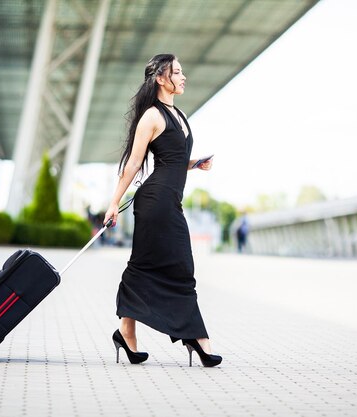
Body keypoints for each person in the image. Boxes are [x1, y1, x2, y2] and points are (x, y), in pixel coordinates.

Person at [104, 54, 222, 367]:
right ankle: (198, 338)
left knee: (156, 266)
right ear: (160, 78)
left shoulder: (177, 113)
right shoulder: (151, 116)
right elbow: (133, 163)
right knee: (178, 266)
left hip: (169, 201)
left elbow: (171, 159)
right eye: (178, 72)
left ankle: (126, 331)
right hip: (155, 202)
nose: (184, 77)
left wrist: (194, 164)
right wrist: (114, 202)